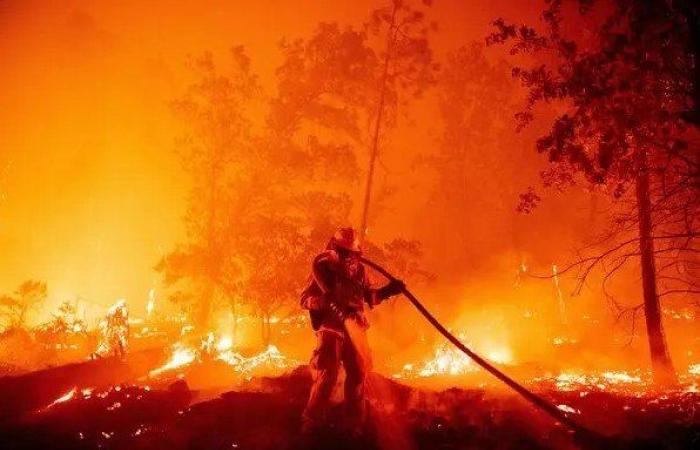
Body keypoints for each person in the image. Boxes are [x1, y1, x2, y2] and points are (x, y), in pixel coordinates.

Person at [300, 227, 404, 433]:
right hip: (331, 328)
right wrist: (321, 300)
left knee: (358, 374)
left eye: (351, 253)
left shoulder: (360, 272)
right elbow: (304, 300)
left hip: (355, 328)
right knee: (327, 373)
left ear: (357, 254)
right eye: (343, 252)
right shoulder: (322, 268)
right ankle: (312, 423)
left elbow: (370, 297)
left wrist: (389, 291)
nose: (347, 257)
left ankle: (353, 425)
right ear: (334, 248)